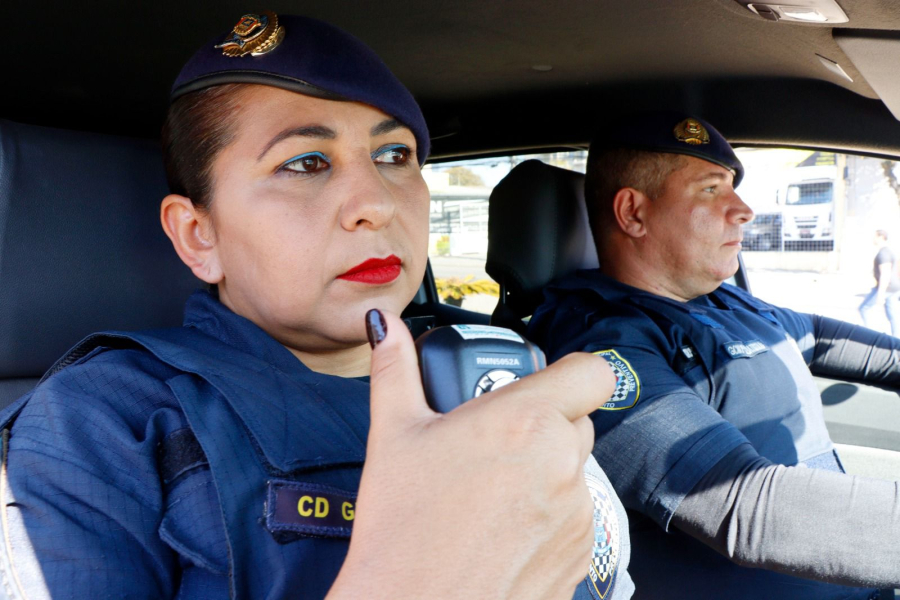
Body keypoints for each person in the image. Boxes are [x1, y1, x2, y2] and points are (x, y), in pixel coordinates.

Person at [0, 13, 634, 600]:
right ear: (200, 235)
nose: (376, 205)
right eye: (304, 163)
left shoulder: (493, 372)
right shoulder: (105, 423)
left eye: (394, 156)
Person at [528, 112, 900, 600]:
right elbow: (740, 504)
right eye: (711, 190)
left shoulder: (729, 302)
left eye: (733, 187)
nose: (743, 209)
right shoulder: (600, 341)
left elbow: (827, 338)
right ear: (633, 213)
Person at [859, 229, 900, 336]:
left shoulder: (883, 253)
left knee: (864, 308)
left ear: (881, 237)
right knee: (893, 315)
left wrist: (880, 294)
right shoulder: (888, 251)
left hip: (887, 287)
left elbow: (885, 274)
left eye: (875, 236)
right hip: (894, 287)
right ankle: (896, 338)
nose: (873, 239)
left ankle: (870, 335)